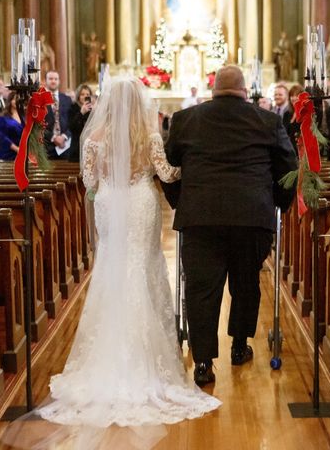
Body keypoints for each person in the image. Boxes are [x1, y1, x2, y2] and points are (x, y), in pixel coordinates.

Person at [35, 76, 221, 434]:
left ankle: (107, 356)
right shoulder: (149, 137)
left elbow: (89, 182)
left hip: (110, 202)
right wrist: (195, 165)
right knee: (143, 266)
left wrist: (109, 180)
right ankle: (146, 360)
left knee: (112, 267)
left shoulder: (95, 139)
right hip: (140, 203)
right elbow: (166, 173)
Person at [163, 65, 297, 385]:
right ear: (245, 89)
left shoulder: (186, 120)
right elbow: (288, 169)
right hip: (252, 215)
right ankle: (239, 346)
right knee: (246, 283)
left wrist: (180, 200)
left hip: (200, 216)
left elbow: (167, 166)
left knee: (201, 288)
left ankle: (203, 362)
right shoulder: (268, 121)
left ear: (214, 89)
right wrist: (277, 202)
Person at [44, 70, 73, 159]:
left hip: (65, 146)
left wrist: (64, 137)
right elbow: (37, 125)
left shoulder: (67, 99)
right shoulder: (40, 100)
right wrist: (53, 137)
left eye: (56, 79)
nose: (53, 81)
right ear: (45, 81)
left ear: (59, 81)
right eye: (50, 79)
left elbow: (72, 122)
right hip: (46, 146)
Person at [68, 84, 94, 162]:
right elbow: (71, 127)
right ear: (78, 96)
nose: (85, 96)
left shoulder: (92, 110)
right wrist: (81, 112)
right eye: (82, 94)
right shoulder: (72, 108)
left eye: (87, 94)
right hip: (76, 148)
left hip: (89, 148)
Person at [0, 92, 24, 161]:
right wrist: (16, 149)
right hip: (8, 153)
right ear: (10, 101)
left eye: (19, 99)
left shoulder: (24, 115)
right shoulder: (3, 117)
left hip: (23, 152)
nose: (17, 101)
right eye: (15, 99)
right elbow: (2, 136)